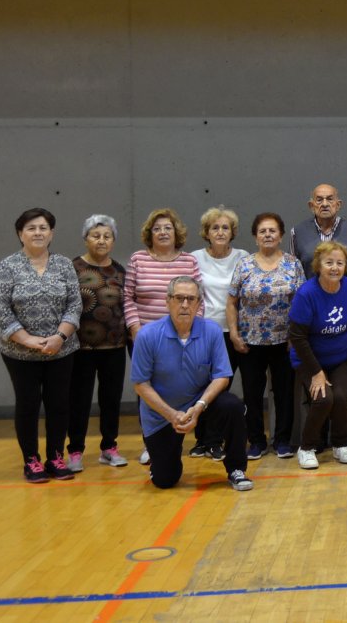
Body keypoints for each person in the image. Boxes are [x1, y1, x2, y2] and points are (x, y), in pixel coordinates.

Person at [131, 276, 252, 491]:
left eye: (191, 299)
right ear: (167, 301)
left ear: (199, 303)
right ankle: (165, 456)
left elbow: (222, 377)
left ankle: (236, 469)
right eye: (179, 298)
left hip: (199, 405)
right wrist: (171, 415)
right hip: (162, 414)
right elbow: (141, 385)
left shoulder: (212, 331)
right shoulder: (147, 335)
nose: (185, 304)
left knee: (232, 406)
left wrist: (199, 407)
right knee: (165, 480)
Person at [0, 208, 82, 482]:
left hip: (61, 350)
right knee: (28, 405)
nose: (38, 233)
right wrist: (28, 340)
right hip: (19, 353)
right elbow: (0, 309)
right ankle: (31, 461)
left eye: (43, 228)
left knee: (59, 405)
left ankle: (55, 457)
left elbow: (75, 305)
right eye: (31, 228)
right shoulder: (8, 266)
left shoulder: (64, 264)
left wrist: (59, 337)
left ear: (51, 233)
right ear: (20, 234)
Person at [289, 183, 347, 451]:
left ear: (338, 203)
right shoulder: (298, 232)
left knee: (346, 390)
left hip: (345, 314)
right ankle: (315, 440)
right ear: (311, 204)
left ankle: (346, 437)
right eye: (319, 199)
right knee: (322, 394)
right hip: (313, 316)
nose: (325, 203)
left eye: (330, 199)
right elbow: (294, 269)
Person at [123, 208, 203, 466]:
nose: (163, 232)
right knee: (147, 391)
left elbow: (199, 298)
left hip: (183, 337)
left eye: (168, 228)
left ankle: (184, 438)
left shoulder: (189, 261)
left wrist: (192, 331)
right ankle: (152, 443)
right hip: (145, 339)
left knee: (181, 386)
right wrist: (136, 330)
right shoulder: (138, 259)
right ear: (150, 234)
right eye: (157, 229)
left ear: (176, 232)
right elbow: (128, 297)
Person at [227, 213, 305, 462]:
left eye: (272, 231)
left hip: (284, 342)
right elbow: (232, 302)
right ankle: (257, 441)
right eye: (263, 231)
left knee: (284, 393)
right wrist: (234, 334)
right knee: (252, 393)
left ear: (280, 235)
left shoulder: (293, 264)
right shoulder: (244, 264)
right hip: (250, 343)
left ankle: (282, 440)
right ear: (255, 237)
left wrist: (296, 337)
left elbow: (301, 302)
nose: (268, 235)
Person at [288, 242, 347, 470]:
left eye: (340, 263)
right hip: (309, 358)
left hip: (342, 356)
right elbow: (297, 337)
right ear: (318, 266)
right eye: (329, 262)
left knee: (340, 397)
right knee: (323, 398)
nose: (334, 268)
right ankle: (306, 447)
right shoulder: (306, 293)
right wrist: (317, 372)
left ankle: (341, 444)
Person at [66, 215, 129, 470]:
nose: (101, 240)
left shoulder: (120, 271)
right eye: (96, 235)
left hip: (114, 346)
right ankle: (75, 451)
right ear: (86, 239)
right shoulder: (73, 268)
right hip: (81, 347)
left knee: (111, 400)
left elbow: (127, 306)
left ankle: (109, 447)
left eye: (107, 236)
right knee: (79, 400)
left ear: (113, 241)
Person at [189, 206, 248, 460]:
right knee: (203, 387)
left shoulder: (243, 257)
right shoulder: (195, 258)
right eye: (215, 228)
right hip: (204, 332)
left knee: (221, 388)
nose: (220, 232)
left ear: (232, 232)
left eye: (225, 227)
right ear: (207, 232)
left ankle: (214, 440)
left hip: (233, 332)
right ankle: (201, 440)